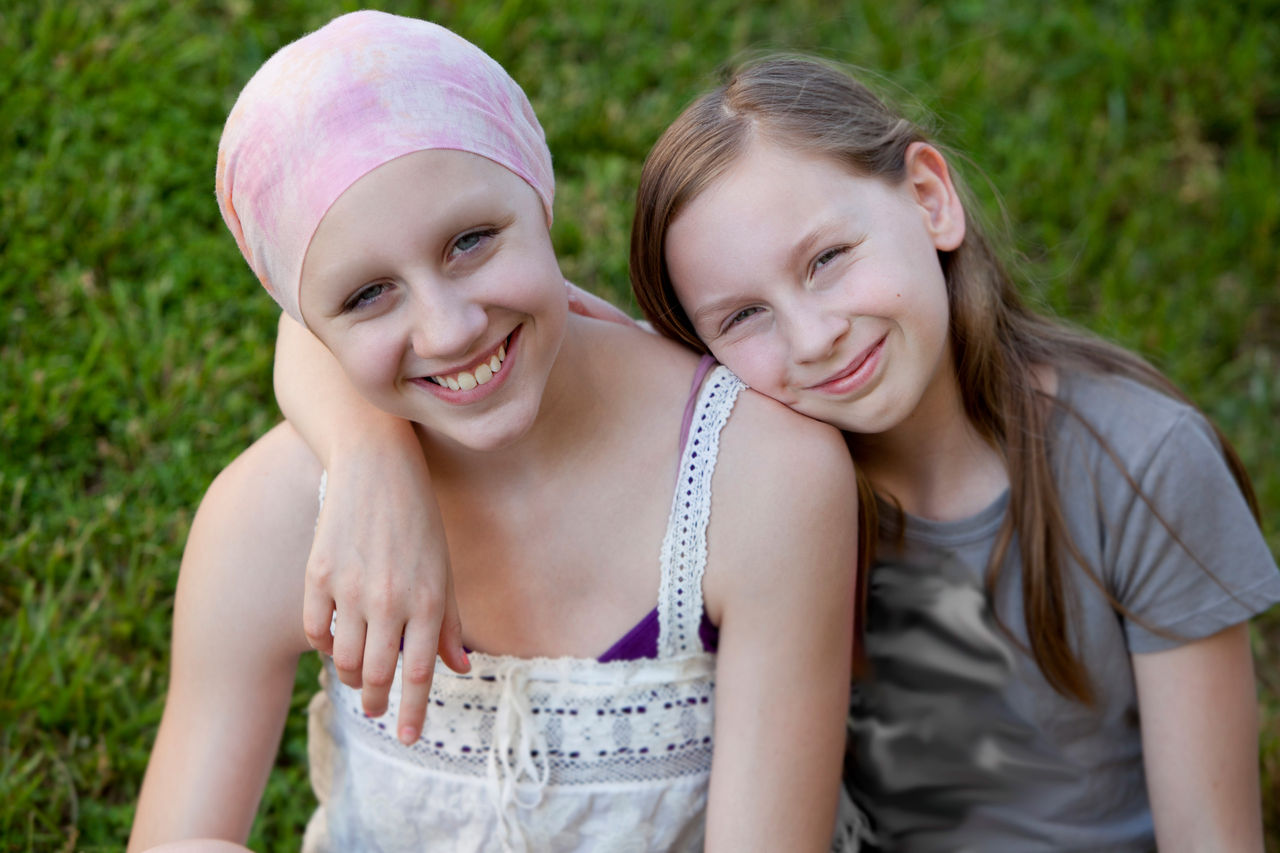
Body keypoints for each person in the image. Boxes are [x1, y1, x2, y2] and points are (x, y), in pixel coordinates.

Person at [283, 53, 1280, 851]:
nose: (810, 339)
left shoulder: (1138, 464)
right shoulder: (730, 468)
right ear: (697, 355)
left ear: (929, 197)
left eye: (826, 259)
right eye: (742, 314)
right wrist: (372, 455)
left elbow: (1213, 836)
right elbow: (314, 314)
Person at [127, 15, 864, 852]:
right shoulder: (275, 512)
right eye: (368, 295)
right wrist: (370, 458)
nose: (448, 329)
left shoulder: (760, 475)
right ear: (307, 323)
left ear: (539, 194)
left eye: (471, 241)